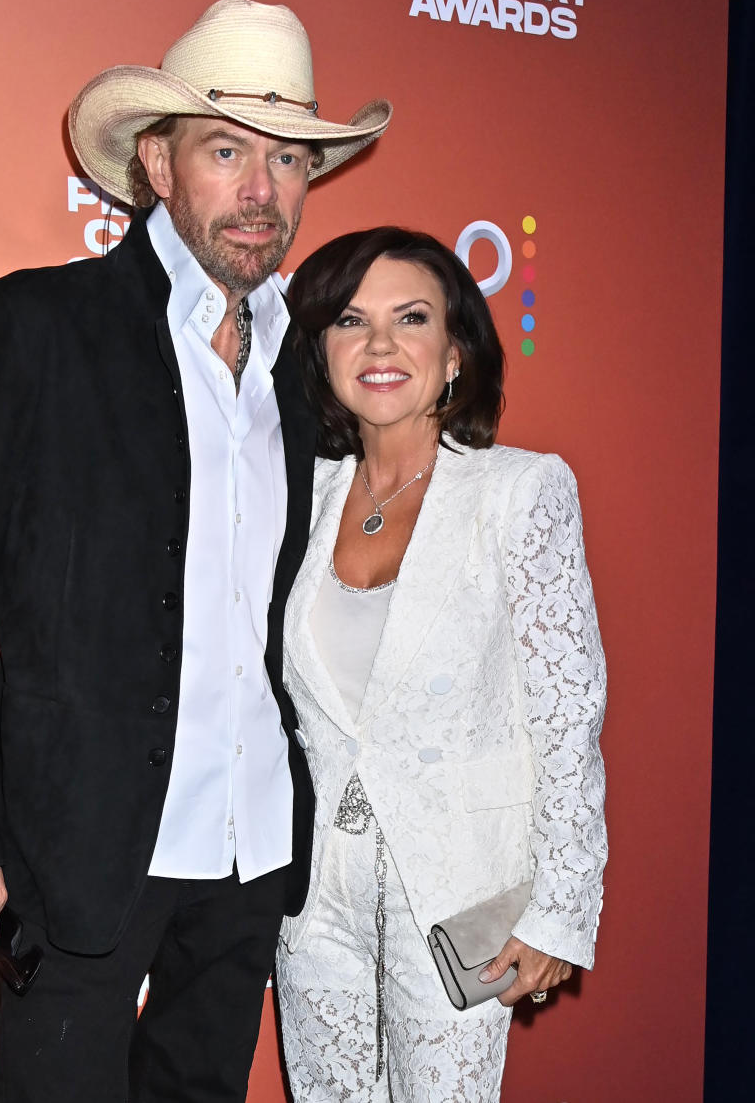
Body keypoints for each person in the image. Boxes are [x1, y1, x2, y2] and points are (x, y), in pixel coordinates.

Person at [0, 0, 391, 1102]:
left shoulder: (308, 370)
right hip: (73, 853)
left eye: (290, 160)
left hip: (252, 848)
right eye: (228, 151)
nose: (264, 193)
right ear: (158, 164)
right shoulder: (32, 328)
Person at [275, 227, 607, 1102]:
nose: (380, 345)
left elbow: (567, 710)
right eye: (351, 320)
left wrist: (562, 908)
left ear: (454, 352)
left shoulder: (519, 492)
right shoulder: (296, 497)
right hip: (316, 897)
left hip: (461, 892)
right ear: (323, 351)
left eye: (410, 318)